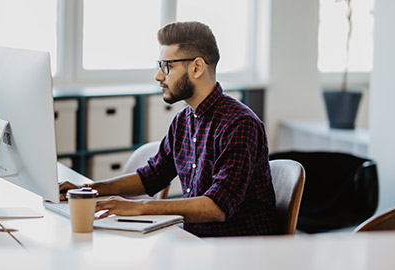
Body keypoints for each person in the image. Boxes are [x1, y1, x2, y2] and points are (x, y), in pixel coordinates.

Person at [60, 21, 279, 237]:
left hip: (238, 251)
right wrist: (90, 190)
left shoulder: (239, 124)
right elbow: (152, 176)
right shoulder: (183, 120)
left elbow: (217, 207)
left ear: (197, 67)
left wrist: (140, 207)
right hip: (195, 241)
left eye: (167, 66)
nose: (158, 76)